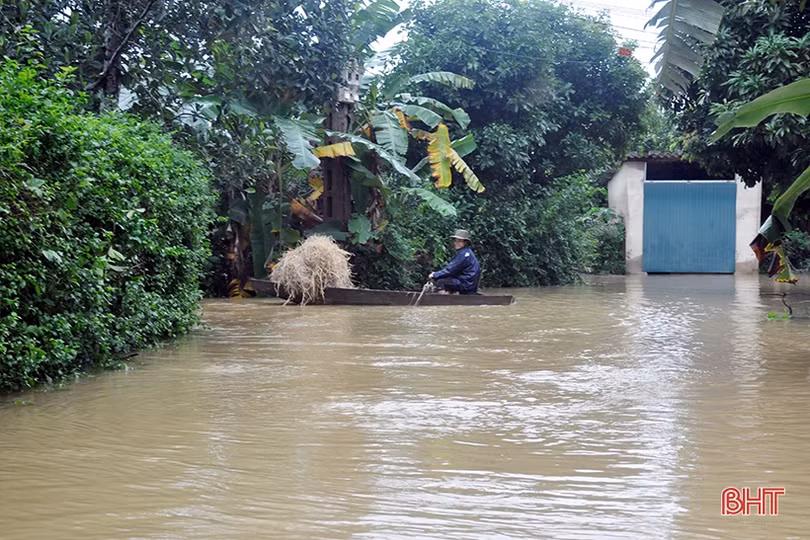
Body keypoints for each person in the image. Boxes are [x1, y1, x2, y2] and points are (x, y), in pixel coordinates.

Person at [428, 229, 481, 294]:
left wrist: (435, 274)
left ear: (465, 242)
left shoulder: (464, 255)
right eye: (456, 241)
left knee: (441, 282)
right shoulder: (464, 253)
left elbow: (450, 270)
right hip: (466, 282)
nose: (456, 243)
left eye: (459, 241)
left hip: (466, 283)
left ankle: (444, 300)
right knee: (446, 280)